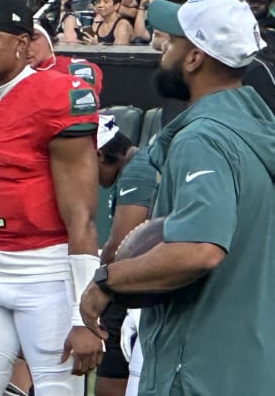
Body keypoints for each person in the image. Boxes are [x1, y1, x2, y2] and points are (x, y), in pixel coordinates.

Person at [80, 0, 275, 395]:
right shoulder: (274, 135)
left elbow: (198, 249)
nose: (162, 48)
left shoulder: (202, 137)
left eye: (173, 41)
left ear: (194, 58)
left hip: (204, 370)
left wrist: (106, 282)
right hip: (270, 373)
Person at [0, 0, 103, 396]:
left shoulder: (58, 95)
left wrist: (83, 315)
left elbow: (80, 216)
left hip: (46, 271)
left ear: (23, 44)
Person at [93, 117, 155, 396]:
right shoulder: (139, 164)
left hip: (139, 289)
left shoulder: (136, 171)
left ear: (98, 154)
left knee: (111, 381)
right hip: (146, 282)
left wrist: (92, 279)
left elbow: (121, 244)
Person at [29, 21, 104, 94]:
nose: (25, 47)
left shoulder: (74, 67)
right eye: (19, 42)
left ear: (49, 39)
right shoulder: (20, 73)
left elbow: (85, 99)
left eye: (33, 39)